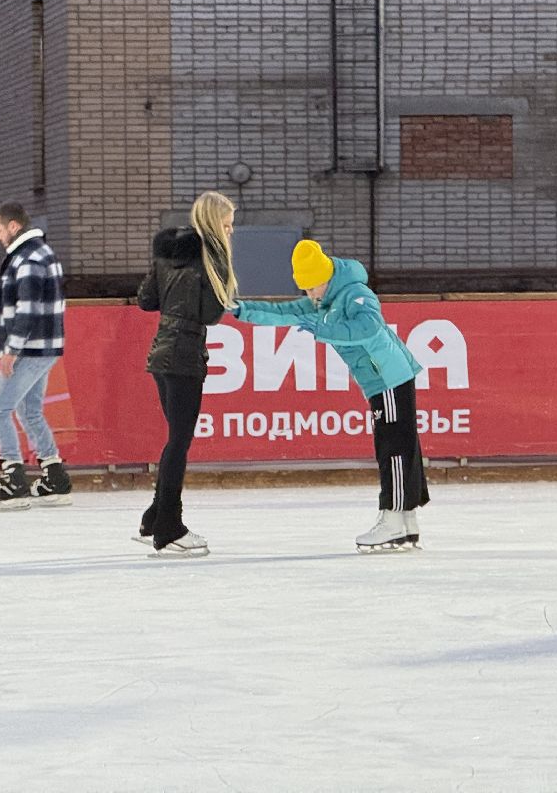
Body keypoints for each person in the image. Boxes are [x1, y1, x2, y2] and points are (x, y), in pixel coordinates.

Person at [234, 239, 428, 552]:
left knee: (393, 447)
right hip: (381, 380)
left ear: (326, 277)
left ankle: (392, 518)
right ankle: (406, 522)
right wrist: (243, 310)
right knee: (399, 446)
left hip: (388, 377)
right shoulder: (322, 302)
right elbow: (284, 313)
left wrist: (323, 327)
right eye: (305, 289)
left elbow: (369, 328)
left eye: (313, 288)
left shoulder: (355, 294)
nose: (309, 296)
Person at [135, 191, 239, 557]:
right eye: (227, 226)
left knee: (174, 440)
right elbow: (211, 313)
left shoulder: (169, 254)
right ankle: (170, 526)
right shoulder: (213, 259)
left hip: (161, 353)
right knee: (179, 442)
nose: (230, 233)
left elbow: (146, 299)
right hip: (185, 355)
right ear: (214, 224)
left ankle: (153, 516)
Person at [0, 202, 72, 510]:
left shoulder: (28, 258)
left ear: (13, 226)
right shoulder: (41, 252)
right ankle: (54, 475)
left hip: (30, 349)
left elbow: (27, 309)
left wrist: (12, 350)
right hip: (45, 346)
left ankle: (13, 478)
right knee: (29, 411)